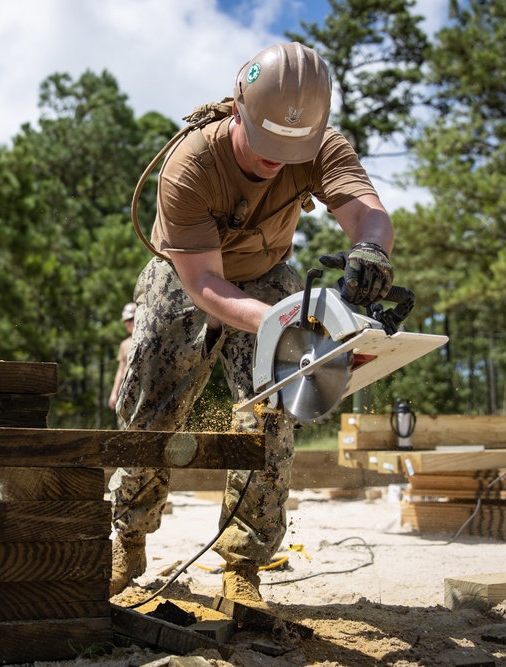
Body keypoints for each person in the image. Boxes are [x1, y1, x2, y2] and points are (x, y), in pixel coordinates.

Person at [110, 42, 395, 604]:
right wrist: (283, 322)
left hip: (267, 273)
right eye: (267, 146)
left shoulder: (321, 146)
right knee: (150, 409)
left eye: (292, 150)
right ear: (237, 107)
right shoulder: (190, 163)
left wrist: (372, 249)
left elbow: (367, 213)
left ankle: (243, 564)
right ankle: (129, 535)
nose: (276, 160)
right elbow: (206, 285)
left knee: (274, 410)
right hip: (188, 275)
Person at [108, 302, 137, 411]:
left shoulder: (149, 342)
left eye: (130, 320)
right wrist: (114, 393)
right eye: (126, 321)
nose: (127, 324)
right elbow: (120, 370)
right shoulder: (124, 344)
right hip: (125, 391)